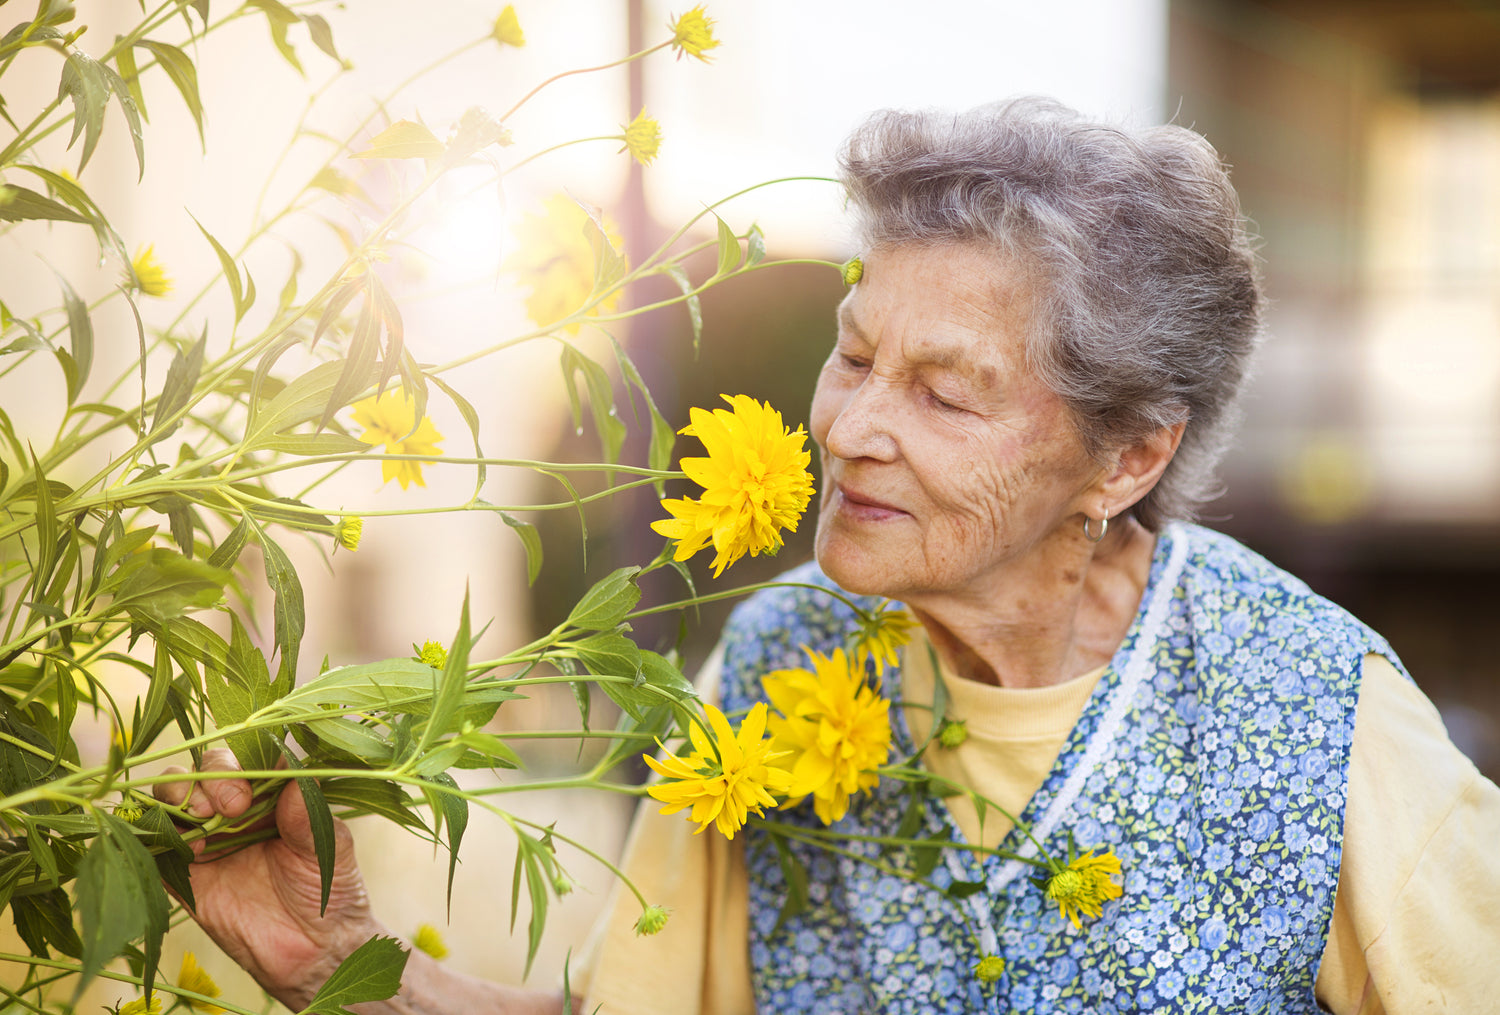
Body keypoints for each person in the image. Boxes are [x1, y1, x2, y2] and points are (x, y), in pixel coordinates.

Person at [162, 98, 1500, 1014]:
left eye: (946, 392)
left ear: (1128, 456)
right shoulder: (771, 658)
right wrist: (341, 965)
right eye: (854, 354)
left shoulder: (1319, 717)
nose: (849, 427)